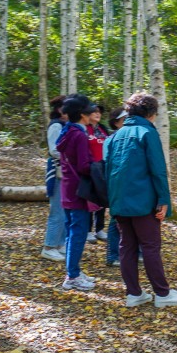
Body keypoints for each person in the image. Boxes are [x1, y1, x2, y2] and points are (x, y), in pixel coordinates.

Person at [103, 92, 177, 308]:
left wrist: (112, 201)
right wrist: (164, 200)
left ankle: (134, 293)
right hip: (143, 201)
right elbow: (158, 170)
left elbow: (107, 169)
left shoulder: (114, 136)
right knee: (150, 246)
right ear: (152, 113)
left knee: (127, 247)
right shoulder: (147, 133)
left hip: (119, 200)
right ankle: (162, 294)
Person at [56, 94, 99, 291]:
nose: (93, 113)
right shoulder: (79, 135)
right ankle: (72, 276)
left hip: (67, 188)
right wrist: (100, 168)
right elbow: (83, 166)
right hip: (79, 191)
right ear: (83, 114)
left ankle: (73, 270)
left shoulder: (67, 131)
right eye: (90, 110)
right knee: (78, 233)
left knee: (71, 231)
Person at [41, 96, 68, 261]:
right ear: (60, 110)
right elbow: (55, 150)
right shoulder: (56, 126)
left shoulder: (65, 126)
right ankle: (49, 246)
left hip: (66, 171)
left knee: (64, 209)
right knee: (57, 210)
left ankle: (59, 244)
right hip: (58, 171)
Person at [104, 107, 127, 267]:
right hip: (116, 185)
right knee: (115, 220)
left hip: (129, 185)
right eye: (123, 119)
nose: (127, 122)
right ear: (116, 123)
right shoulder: (110, 140)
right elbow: (107, 163)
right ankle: (112, 255)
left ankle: (133, 252)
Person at [85, 105, 111, 244]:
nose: (97, 114)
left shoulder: (103, 129)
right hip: (90, 168)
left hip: (104, 167)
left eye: (99, 112)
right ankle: (88, 230)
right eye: (94, 111)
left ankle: (99, 228)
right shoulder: (84, 129)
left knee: (102, 198)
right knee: (91, 199)